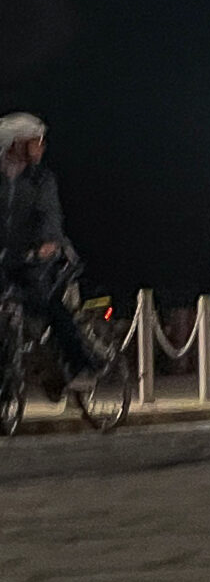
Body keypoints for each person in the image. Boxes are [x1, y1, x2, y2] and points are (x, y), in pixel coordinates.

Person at [0, 113, 103, 391]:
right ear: (16, 144)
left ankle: (81, 366)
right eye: (36, 141)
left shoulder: (41, 180)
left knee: (48, 305)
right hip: (6, 259)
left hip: (39, 260)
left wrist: (49, 243)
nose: (42, 147)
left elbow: (50, 215)